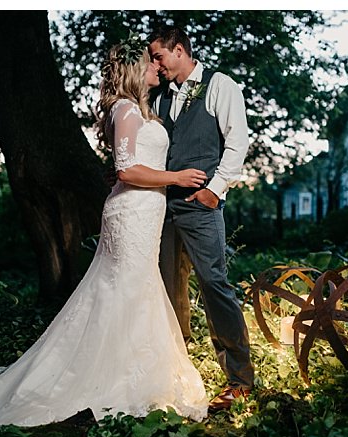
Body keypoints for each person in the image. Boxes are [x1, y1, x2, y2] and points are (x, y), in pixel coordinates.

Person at [0, 36, 209, 436]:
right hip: (132, 212)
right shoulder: (126, 111)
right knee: (127, 290)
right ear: (134, 69)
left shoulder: (137, 111)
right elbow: (128, 171)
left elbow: (126, 166)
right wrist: (177, 177)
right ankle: (111, 380)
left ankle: (128, 370)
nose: (156, 68)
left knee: (133, 290)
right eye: (149, 62)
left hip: (145, 212)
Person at [148, 27, 254, 411]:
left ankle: (239, 378)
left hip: (200, 204)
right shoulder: (158, 96)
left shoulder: (219, 84)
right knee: (167, 287)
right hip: (161, 207)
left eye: (159, 56)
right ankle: (178, 368)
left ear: (179, 51)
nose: (155, 65)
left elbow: (237, 141)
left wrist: (215, 189)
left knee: (214, 284)